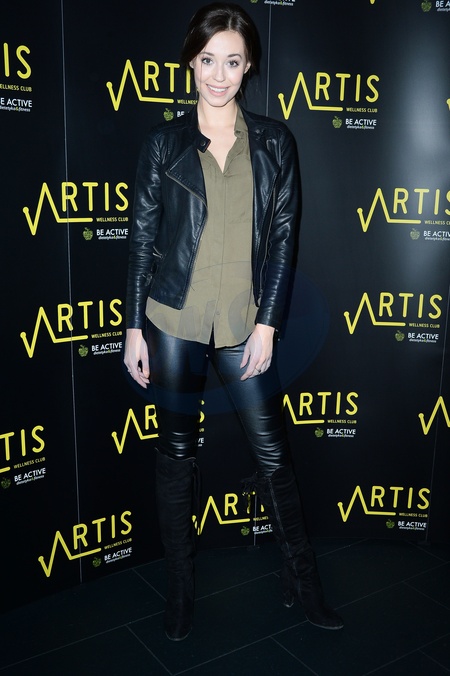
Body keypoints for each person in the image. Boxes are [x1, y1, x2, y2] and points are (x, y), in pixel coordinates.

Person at [124, 2, 343, 641]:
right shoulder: (162, 142)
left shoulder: (275, 142)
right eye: (208, 60)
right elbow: (142, 239)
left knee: (273, 456)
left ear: (249, 68)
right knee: (175, 455)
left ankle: (303, 583)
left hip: (245, 324)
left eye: (232, 62)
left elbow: (283, 238)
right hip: (173, 322)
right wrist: (133, 327)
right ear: (191, 62)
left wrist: (269, 324)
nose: (218, 75)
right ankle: (180, 592)